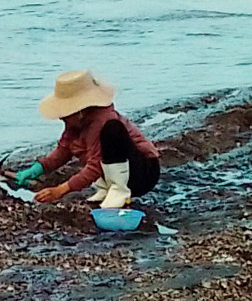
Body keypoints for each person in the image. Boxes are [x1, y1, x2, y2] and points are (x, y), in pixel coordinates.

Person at [14, 70, 162, 209]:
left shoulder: (102, 120)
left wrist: (60, 190)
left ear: (79, 110)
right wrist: (36, 169)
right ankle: (107, 188)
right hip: (117, 172)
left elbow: (95, 166)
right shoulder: (75, 123)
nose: (61, 117)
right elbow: (62, 151)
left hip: (142, 173)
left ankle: (119, 190)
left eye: (65, 112)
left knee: (113, 130)